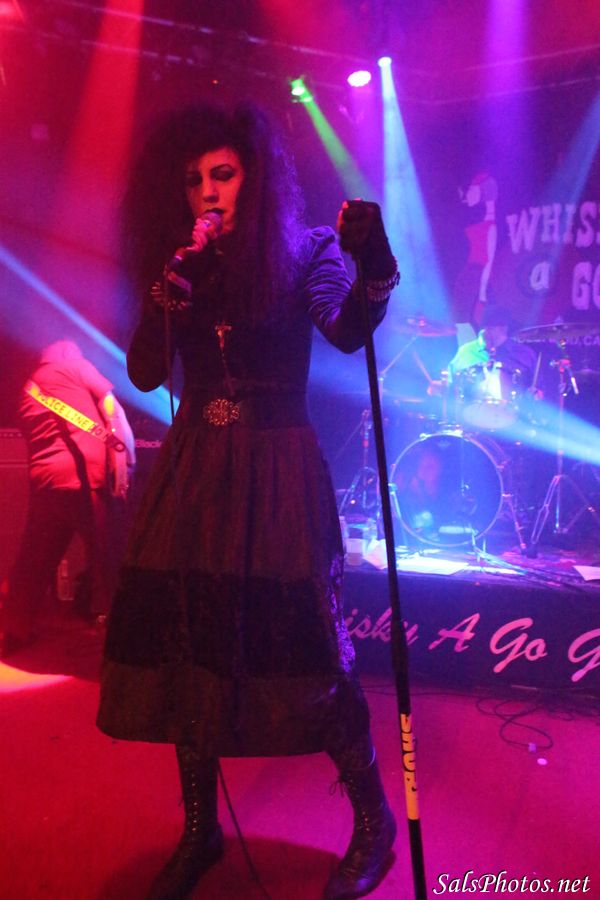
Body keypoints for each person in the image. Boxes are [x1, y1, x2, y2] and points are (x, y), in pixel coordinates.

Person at [96, 101, 401, 900]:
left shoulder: (304, 251)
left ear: (254, 177)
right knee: (187, 640)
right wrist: (169, 293)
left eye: (223, 174)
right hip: (197, 466)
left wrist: (375, 266)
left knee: (308, 643)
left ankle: (374, 820)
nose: (207, 190)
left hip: (277, 471)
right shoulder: (185, 266)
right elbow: (144, 373)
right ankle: (201, 829)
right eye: (194, 179)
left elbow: (347, 331)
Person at [1, 340, 135, 656]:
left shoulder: (28, 389)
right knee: (109, 556)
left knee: (34, 560)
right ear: (64, 352)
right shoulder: (75, 367)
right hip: (88, 479)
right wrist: (126, 463)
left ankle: (15, 629)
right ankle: (119, 636)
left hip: (45, 482)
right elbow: (112, 409)